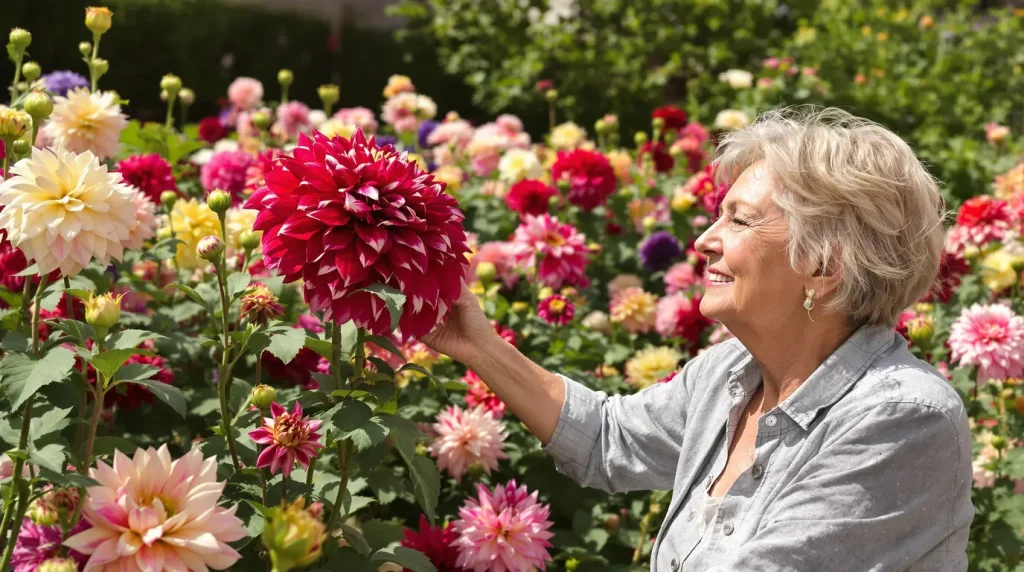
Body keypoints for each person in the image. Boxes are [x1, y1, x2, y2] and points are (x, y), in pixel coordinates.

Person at [420, 107, 973, 571]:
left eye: (739, 220)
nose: (706, 240)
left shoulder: (900, 418)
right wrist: (478, 345)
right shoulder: (734, 374)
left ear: (824, 263)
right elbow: (609, 440)